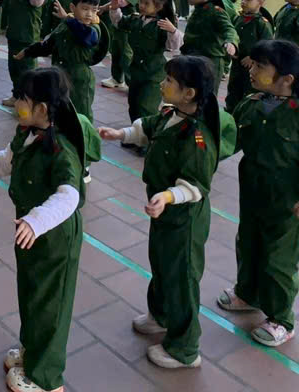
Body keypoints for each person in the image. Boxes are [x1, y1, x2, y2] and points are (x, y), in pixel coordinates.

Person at [0, 68, 88, 392]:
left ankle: (46, 378)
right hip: (30, 232)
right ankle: (32, 350)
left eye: (22, 99)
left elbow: (69, 196)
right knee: (32, 293)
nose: (16, 103)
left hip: (53, 238)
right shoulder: (29, 131)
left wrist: (36, 220)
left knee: (50, 304)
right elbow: (10, 158)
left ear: (42, 109)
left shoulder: (61, 149)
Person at [98, 56, 222, 369]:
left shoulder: (197, 137)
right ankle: (161, 315)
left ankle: (184, 349)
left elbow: (195, 185)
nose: (162, 84)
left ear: (189, 93)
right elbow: (148, 128)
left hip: (184, 217)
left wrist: (167, 196)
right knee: (162, 264)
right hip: (164, 212)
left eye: (169, 81)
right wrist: (121, 134)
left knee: (182, 277)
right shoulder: (171, 114)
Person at [220, 40, 299, 347]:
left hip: (288, 203)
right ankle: (248, 293)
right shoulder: (250, 104)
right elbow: (229, 139)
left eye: (260, 66)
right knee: (248, 243)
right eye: (253, 63)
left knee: (279, 260)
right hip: (253, 193)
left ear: (287, 79)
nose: (252, 69)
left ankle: (281, 319)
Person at [15, 0, 108, 124]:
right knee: (60, 111)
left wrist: (67, 19)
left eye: (94, 10)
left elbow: (87, 38)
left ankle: (83, 137)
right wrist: (28, 51)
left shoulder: (93, 28)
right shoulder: (65, 25)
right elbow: (48, 45)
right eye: (85, 9)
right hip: (60, 76)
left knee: (80, 114)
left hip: (79, 79)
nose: (89, 14)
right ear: (73, 7)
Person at [113, 0, 181, 132]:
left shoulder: (162, 24)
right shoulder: (136, 19)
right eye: (141, 2)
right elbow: (119, 22)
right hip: (136, 70)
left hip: (153, 74)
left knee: (146, 107)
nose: (141, 6)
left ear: (158, 6)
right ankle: (137, 134)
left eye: (146, 3)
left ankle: (148, 136)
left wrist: (173, 31)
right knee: (133, 104)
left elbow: (173, 46)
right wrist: (115, 8)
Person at [0, 0, 47, 106]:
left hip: (27, 40)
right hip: (14, 37)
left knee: (27, 72)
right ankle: (17, 95)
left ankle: (28, 100)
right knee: (14, 69)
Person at [225, 0, 274, 112]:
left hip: (253, 67)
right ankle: (231, 114)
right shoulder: (238, 19)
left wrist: (253, 58)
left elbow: (268, 45)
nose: (243, 2)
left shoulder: (262, 23)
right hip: (237, 64)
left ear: (260, 3)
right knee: (233, 91)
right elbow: (233, 36)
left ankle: (247, 116)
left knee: (250, 93)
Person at [181, 0, 237, 81]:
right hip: (194, 58)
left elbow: (229, 28)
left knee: (207, 91)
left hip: (210, 63)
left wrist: (231, 42)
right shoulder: (198, 9)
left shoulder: (216, 12)